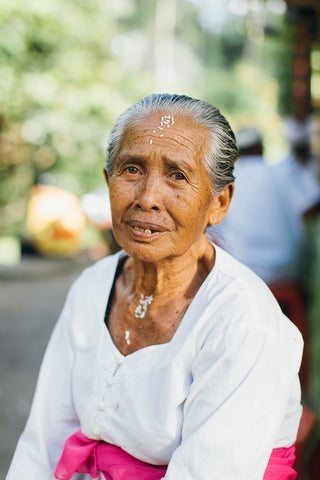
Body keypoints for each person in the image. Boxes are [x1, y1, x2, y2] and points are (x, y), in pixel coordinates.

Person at [6, 94, 303, 480]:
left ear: (219, 202)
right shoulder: (93, 286)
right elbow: (42, 443)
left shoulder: (242, 321)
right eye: (132, 169)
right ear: (108, 181)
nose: (147, 198)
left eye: (177, 176)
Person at [208, 125, 320, 286]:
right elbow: (310, 208)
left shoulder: (227, 182)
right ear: (261, 147)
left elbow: (214, 228)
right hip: (290, 269)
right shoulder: (284, 172)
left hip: (247, 270)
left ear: (237, 152)